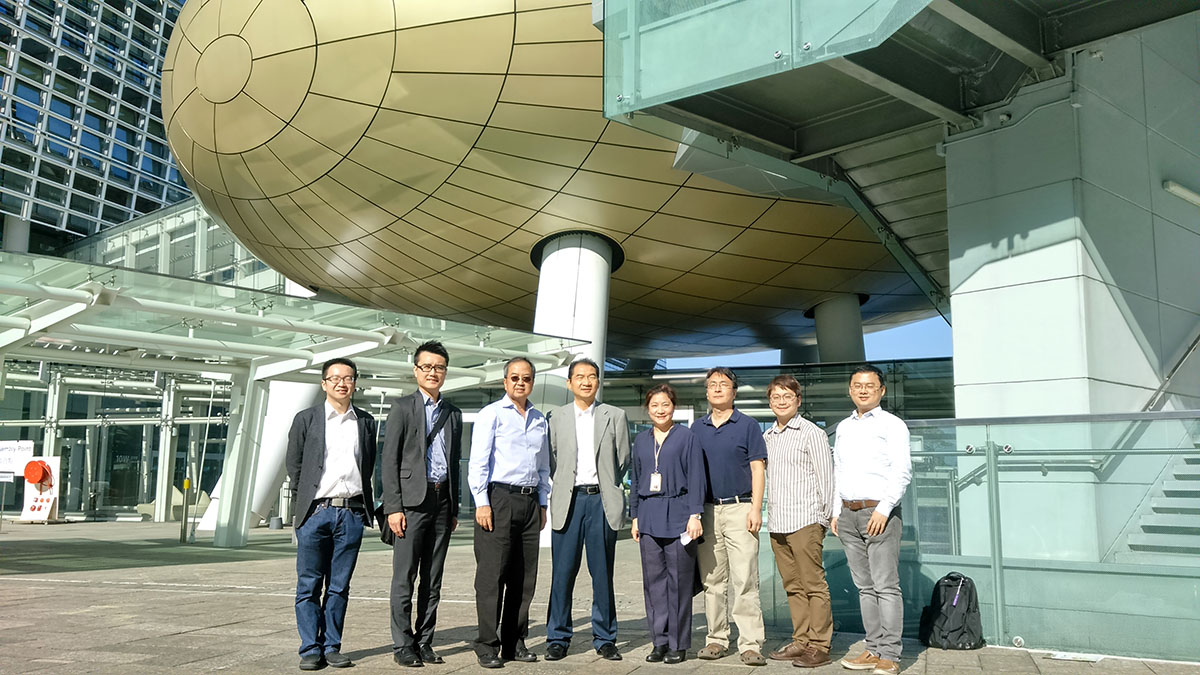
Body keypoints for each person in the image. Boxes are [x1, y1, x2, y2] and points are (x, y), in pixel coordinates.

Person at [285, 357, 377, 671]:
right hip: (315, 512)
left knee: (339, 586)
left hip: (351, 513)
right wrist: (303, 508)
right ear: (324, 383)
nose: (342, 383)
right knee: (308, 585)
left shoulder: (365, 421)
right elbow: (295, 466)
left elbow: (368, 465)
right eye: (335, 378)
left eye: (348, 378)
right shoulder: (306, 419)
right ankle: (310, 648)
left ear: (355, 383)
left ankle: (332, 646)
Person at [381, 341, 463, 667]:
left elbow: (454, 463)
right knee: (404, 577)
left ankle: (424, 640)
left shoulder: (452, 413)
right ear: (416, 370)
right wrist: (393, 507)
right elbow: (389, 461)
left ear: (445, 372)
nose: (433, 372)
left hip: (442, 500)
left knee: (433, 577)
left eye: (438, 367)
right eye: (426, 367)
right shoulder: (402, 407)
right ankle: (403, 644)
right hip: (411, 503)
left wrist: (454, 507)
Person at [545, 358, 631, 661]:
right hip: (569, 500)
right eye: (579, 376)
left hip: (601, 501)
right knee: (562, 573)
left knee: (602, 573)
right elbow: (552, 460)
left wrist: (605, 483)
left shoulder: (614, 416)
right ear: (569, 383)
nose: (586, 381)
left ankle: (605, 638)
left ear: (598, 381)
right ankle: (558, 637)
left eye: (592, 376)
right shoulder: (556, 417)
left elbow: (622, 459)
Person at [468, 357, 551, 668]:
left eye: (526, 378)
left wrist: (542, 503)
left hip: (530, 503)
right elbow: (478, 462)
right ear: (505, 382)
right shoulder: (491, 414)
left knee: (524, 577)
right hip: (499, 498)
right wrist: (481, 502)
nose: (520, 382)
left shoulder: (540, 419)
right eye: (514, 377)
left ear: (532, 383)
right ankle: (487, 644)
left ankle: (515, 641)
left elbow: (543, 466)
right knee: (492, 575)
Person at [831, 365, 911, 675]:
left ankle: (890, 654)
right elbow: (839, 470)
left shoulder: (893, 425)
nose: (863, 390)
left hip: (879, 513)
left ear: (882, 390)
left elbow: (902, 471)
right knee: (864, 587)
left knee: (885, 586)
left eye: (869, 385)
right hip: (848, 513)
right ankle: (873, 647)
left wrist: (884, 509)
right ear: (850, 389)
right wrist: (836, 510)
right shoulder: (844, 427)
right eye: (857, 385)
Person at [693, 367, 768, 666]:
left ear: (734, 392)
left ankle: (750, 643)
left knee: (745, 578)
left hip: (740, 508)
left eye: (723, 384)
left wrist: (756, 508)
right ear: (706, 391)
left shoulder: (748, 425)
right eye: (712, 384)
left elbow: (758, 469)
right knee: (712, 580)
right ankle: (716, 639)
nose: (717, 388)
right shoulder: (696, 428)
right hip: (707, 511)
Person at [762, 375, 835, 668]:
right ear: (770, 402)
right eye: (776, 397)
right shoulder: (768, 436)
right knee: (792, 585)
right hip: (778, 521)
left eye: (787, 396)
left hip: (805, 520)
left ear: (798, 400)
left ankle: (820, 645)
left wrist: (824, 519)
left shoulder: (811, 433)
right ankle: (801, 640)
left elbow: (826, 478)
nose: (781, 402)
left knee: (814, 584)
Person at [630, 383, 705, 665]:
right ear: (647, 409)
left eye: (665, 404)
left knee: (679, 583)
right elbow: (636, 480)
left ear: (673, 407)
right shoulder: (641, 440)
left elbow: (696, 477)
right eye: (654, 405)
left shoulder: (687, 437)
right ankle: (659, 641)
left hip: (679, 514)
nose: (660, 410)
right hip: (649, 515)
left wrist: (695, 514)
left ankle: (678, 643)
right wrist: (635, 516)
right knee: (654, 584)